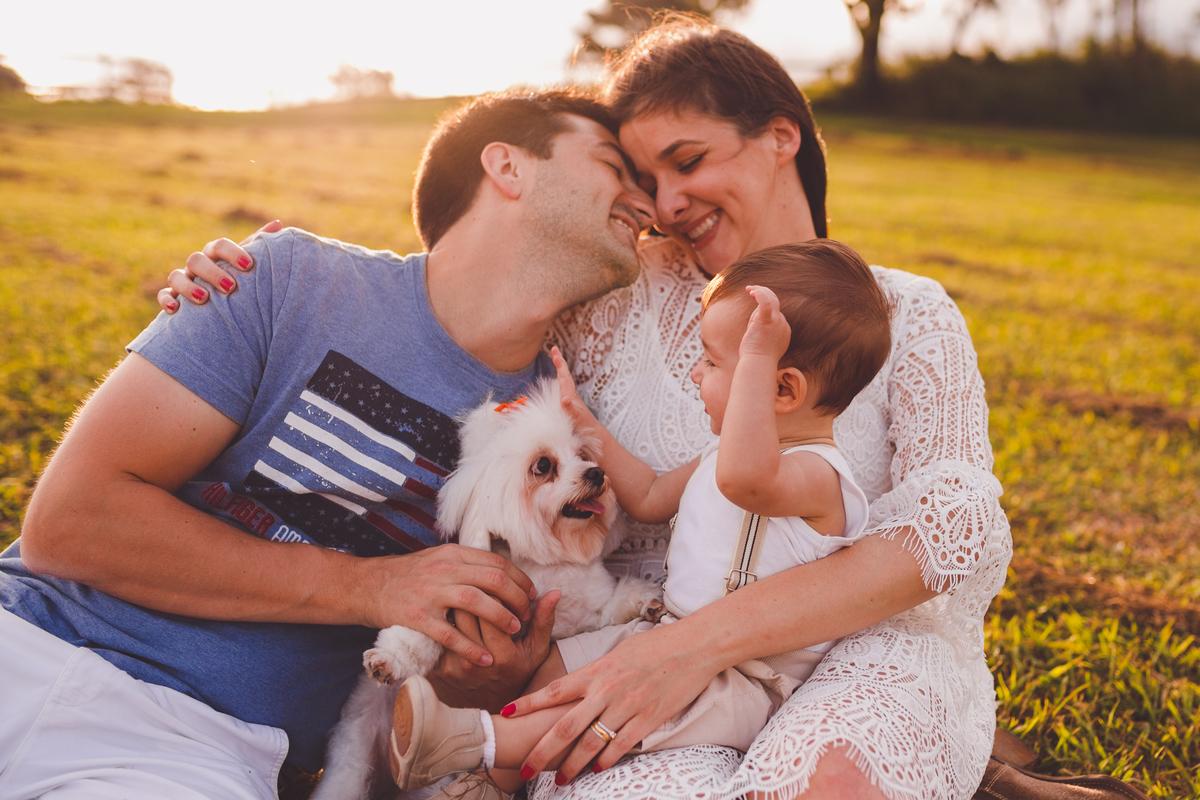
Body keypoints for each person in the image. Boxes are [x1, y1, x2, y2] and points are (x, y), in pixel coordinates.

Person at [158, 19, 1012, 800]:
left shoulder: (908, 314)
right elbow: (459, 301)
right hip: (617, 655)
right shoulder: (612, 294)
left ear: (781, 137)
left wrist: (691, 647)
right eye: (646, 180)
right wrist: (264, 281)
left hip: (853, 644)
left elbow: (953, 526)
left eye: (688, 160)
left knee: (833, 781)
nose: (665, 205)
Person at [0, 89, 656, 800]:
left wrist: (484, 675)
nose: (645, 202)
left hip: (199, 753)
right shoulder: (289, 281)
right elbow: (69, 522)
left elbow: (442, 696)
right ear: (507, 166)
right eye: (613, 166)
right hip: (29, 642)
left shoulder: (562, 435)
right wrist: (371, 587)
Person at [383, 240, 895, 798]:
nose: (695, 373)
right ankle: (492, 785)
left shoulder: (817, 475)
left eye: (714, 362)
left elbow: (747, 481)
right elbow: (649, 495)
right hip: (669, 636)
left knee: (609, 714)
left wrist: (758, 357)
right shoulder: (720, 456)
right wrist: (582, 422)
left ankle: (472, 742)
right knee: (557, 673)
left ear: (782, 387)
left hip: (748, 676)